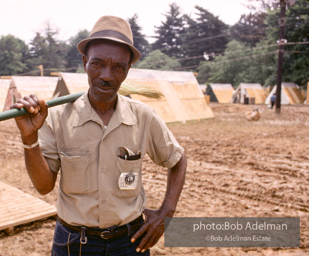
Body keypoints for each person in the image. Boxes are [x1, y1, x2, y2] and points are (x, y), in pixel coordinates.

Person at [11, 15, 187, 256]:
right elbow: (43, 186)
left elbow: (177, 159)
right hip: (74, 244)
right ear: (84, 62)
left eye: (118, 67)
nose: (107, 75)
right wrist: (30, 137)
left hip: (130, 242)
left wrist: (167, 212)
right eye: (98, 63)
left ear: (127, 70)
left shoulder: (144, 117)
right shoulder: (57, 117)